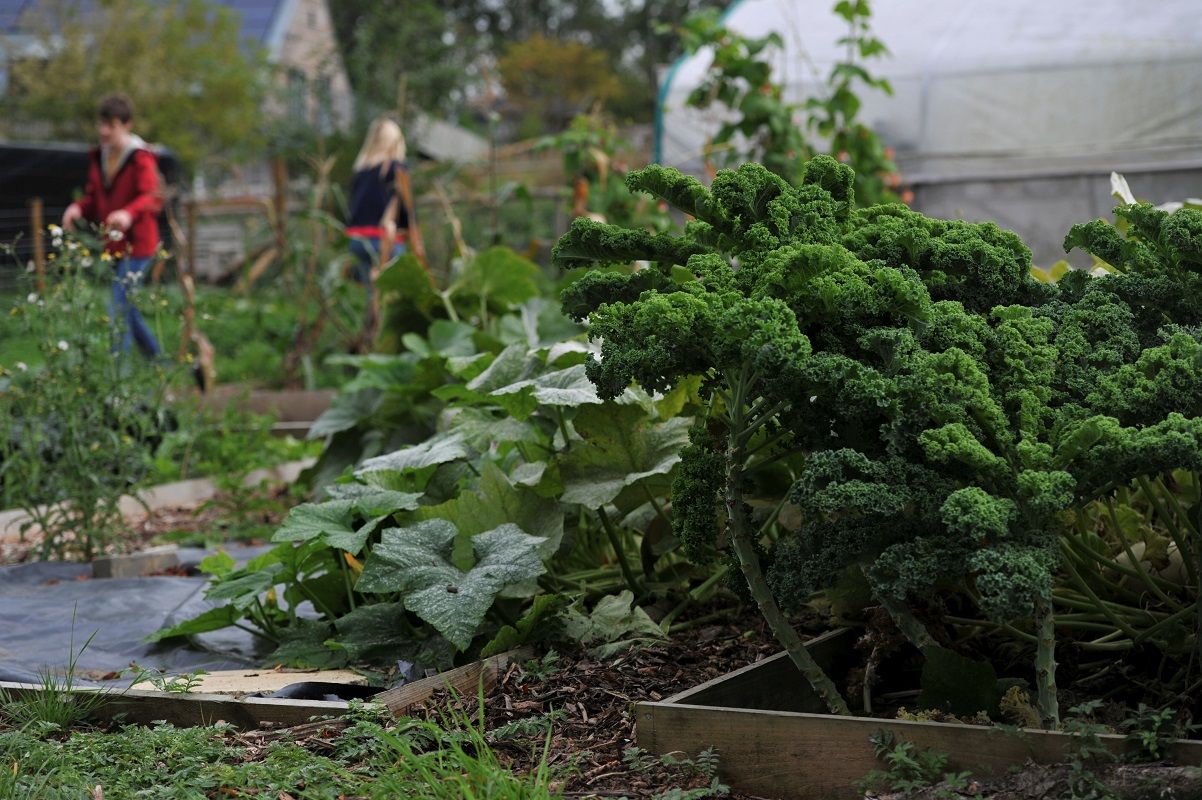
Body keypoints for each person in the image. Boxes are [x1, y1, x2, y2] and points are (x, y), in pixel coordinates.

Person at [62, 92, 163, 359]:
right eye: (101, 124)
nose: (104, 131)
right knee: (127, 308)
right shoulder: (100, 156)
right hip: (114, 244)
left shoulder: (140, 157)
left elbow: (152, 196)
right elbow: (95, 197)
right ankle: (159, 363)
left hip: (138, 245)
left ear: (126, 125)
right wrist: (78, 207)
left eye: (112, 125)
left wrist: (129, 213)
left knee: (119, 306)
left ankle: (119, 373)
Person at [345, 117, 424, 296]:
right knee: (394, 295)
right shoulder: (396, 168)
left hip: (357, 241)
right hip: (383, 239)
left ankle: (372, 313)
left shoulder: (361, 170)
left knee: (372, 294)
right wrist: (413, 236)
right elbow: (407, 211)